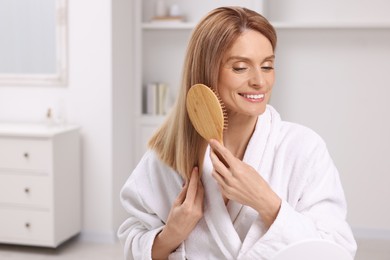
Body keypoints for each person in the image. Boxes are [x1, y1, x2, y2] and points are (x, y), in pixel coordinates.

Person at [118, 6, 357, 260]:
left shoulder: (303, 149)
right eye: (241, 67)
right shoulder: (167, 156)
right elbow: (133, 247)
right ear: (207, 71)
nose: (259, 81)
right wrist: (172, 233)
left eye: (267, 66)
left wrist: (267, 202)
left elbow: (337, 252)